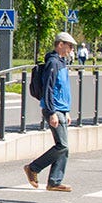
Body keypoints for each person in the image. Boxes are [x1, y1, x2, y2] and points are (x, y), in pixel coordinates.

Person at [24, 31, 76, 192]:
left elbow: (62, 89)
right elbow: (48, 88)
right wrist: (51, 111)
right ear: (60, 44)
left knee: (63, 147)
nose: (71, 50)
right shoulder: (53, 63)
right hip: (53, 109)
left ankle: (54, 181)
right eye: (69, 46)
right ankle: (33, 168)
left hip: (61, 109)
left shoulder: (61, 62)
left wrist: (66, 111)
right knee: (62, 146)